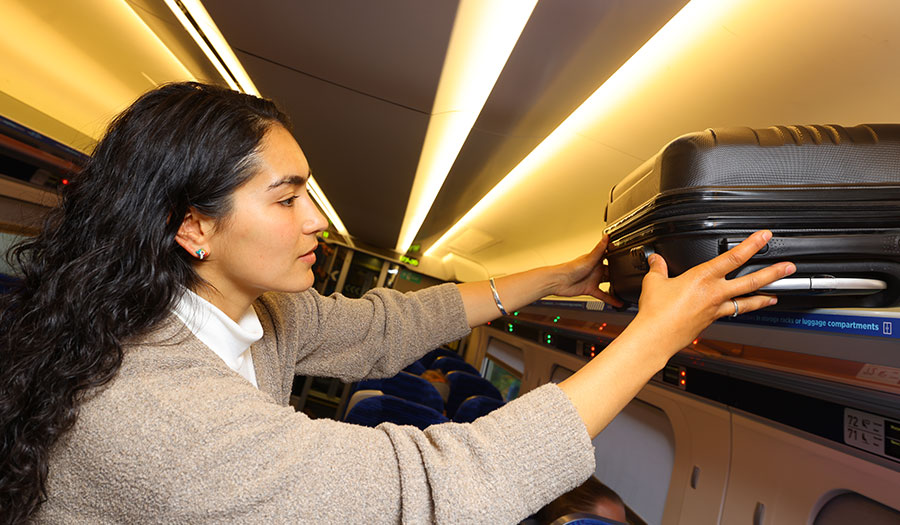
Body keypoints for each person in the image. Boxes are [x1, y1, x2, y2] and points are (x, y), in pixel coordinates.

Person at [0, 82, 795, 524]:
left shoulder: (246, 314)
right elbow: (433, 484)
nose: (316, 219)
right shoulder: (156, 411)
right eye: (287, 199)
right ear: (195, 226)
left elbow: (395, 323)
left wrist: (556, 277)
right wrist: (654, 338)